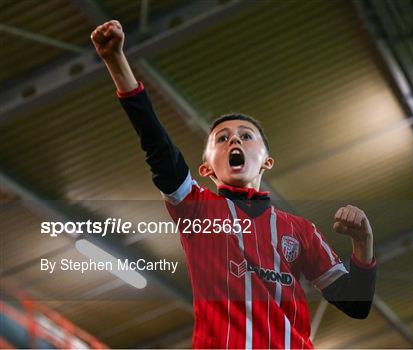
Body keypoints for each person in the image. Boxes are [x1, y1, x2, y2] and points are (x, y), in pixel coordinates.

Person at [91, 20, 377, 349]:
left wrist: (363, 243)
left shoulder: (301, 232)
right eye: (222, 139)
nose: (234, 141)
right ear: (207, 168)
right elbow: (158, 148)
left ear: (267, 160)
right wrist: (116, 62)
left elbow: (355, 304)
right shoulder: (197, 211)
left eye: (245, 136)